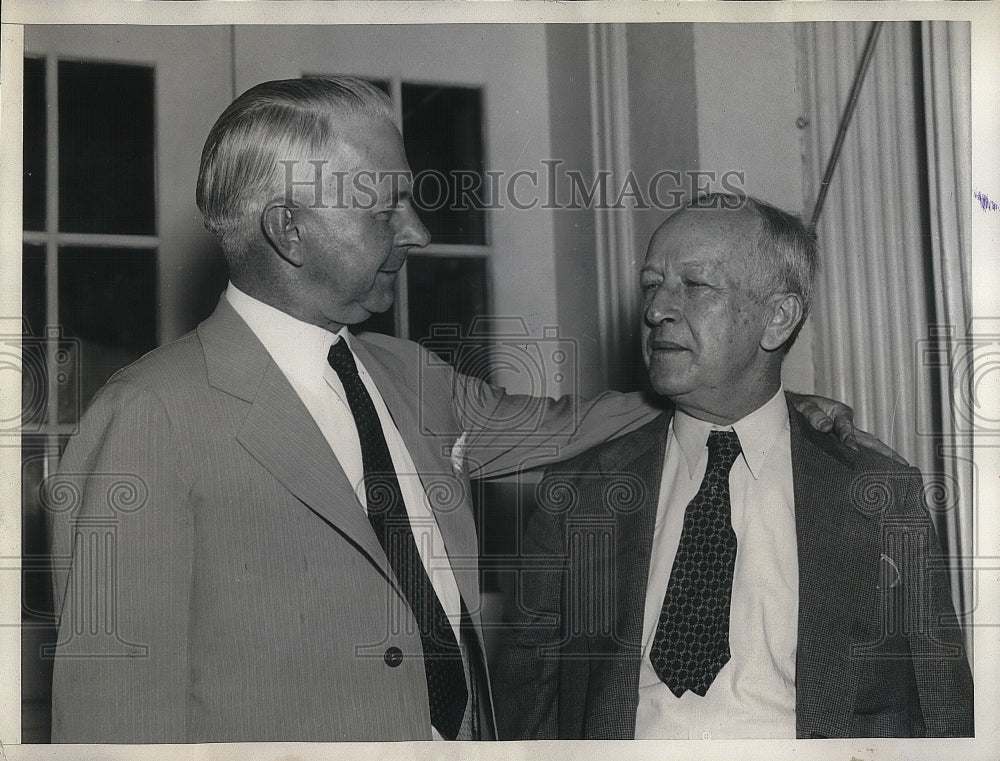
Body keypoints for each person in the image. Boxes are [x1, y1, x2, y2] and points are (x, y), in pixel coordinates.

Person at [46, 78, 877, 743]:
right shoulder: (150, 415)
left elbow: (572, 423)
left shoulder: (406, 376)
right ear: (289, 228)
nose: (418, 232)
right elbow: (110, 723)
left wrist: (764, 400)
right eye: (386, 209)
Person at [494, 194, 974, 739]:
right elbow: (527, 708)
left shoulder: (876, 492)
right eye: (652, 285)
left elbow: (943, 704)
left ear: (778, 318)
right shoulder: (580, 494)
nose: (656, 310)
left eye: (694, 286)